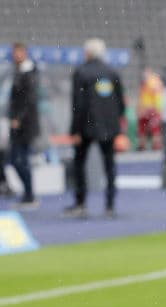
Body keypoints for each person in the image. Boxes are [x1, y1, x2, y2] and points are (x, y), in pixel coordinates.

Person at [66, 38, 125, 218]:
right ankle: (110, 204)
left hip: (86, 126)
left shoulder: (82, 72)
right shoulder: (112, 72)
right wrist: (115, 125)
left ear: (87, 53)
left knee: (80, 165)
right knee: (109, 166)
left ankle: (81, 202)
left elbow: (78, 104)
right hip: (108, 127)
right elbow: (121, 103)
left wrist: (74, 129)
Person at [7, 42, 40, 209]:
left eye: (18, 52)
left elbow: (28, 100)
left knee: (19, 160)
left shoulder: (29, 72)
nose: (16, 55)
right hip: (18, 124)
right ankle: (29, 194)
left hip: (25, 125)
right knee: (17, 159)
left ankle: (30, 195)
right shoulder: (18, 71)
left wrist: (18, 118)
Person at [136, 67, 164, 151]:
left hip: (152, 110)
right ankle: (143, 144)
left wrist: (156, 109)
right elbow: (141, 98)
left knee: (154, 129)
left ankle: (155, 145)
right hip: (146, 110)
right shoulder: (144, 84)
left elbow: (158, 98)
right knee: (143, 128)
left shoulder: (153, 83)